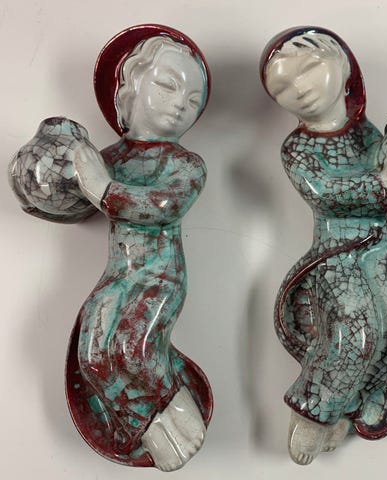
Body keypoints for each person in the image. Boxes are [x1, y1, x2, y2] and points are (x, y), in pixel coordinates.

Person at [261, 27, 387, 465]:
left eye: (308, 69)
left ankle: (350, 400)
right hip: (334, 255)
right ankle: (312, 413)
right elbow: (325, 194)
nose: (298, 89)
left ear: (343, 64)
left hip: (378, 248)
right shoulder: (297, 148)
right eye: (281, 88)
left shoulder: (373, 138)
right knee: (354, 334)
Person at [67, 26, 212, 471]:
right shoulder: (110, 159)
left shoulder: (186, 164)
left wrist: (103, 189)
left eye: (193, 100)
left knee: (135, 350)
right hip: (118, 274)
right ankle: (149, 428)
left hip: (160, 274)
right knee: (93, 356)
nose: (180, 105)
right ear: (130, 85)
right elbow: (71, 198)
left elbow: (164, 206)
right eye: (168, 86)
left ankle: (179, 410)